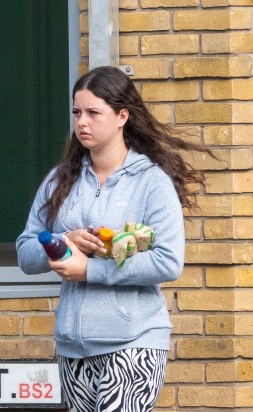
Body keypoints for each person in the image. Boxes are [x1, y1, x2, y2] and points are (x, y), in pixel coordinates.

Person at [16, 66, 215, 412]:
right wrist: (66, 240)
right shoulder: (58, 181)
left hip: (133, 341)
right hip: (72, 347)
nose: (82, 122)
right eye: (77, 113)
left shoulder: (151, 182)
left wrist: (90, 270)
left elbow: (168, 261)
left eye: (94, 113)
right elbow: (24, 254)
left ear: (122, 116)